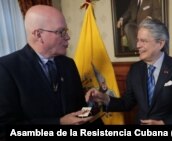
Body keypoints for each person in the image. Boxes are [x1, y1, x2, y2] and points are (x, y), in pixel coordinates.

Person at [0, 5, 102, 138]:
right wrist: (58, 123)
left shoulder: (68, 64)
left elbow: (78, 110)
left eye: (66, 31)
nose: (68, 37)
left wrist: (90, 106)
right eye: (61, 32)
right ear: (38, 34)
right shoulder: (6, 68)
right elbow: (5, 128)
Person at [86, 18, 172, 125]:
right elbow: (127, 103)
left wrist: (164, 123)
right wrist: (104, 98)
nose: (137, 45)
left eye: (143, 41)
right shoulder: (135, 69)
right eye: (138, 40)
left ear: (160, 43)